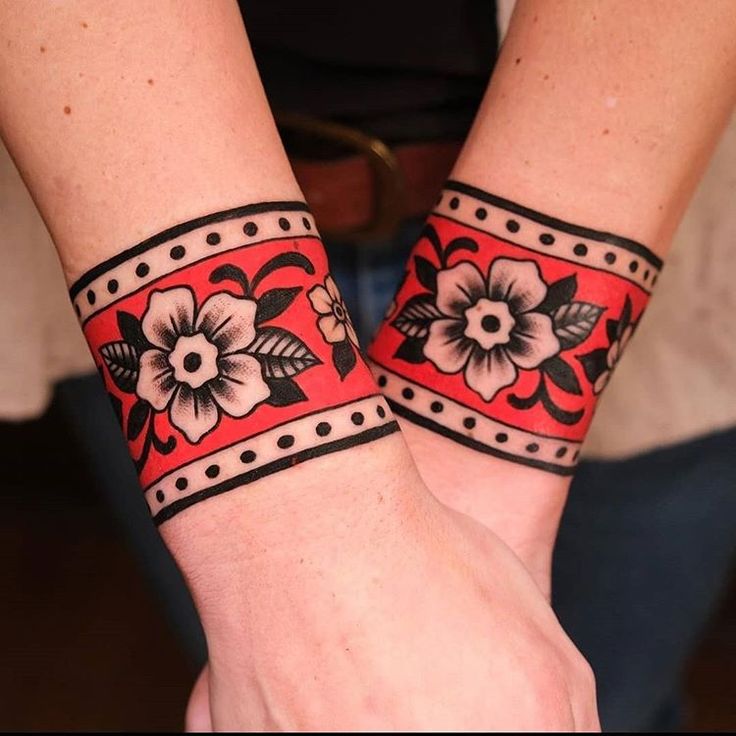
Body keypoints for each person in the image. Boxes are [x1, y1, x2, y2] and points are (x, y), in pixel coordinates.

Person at [0, 0, 734, 730]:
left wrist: (486, 427)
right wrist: (299, 524)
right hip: (126, 221)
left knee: (621, 694)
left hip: (639, 230)